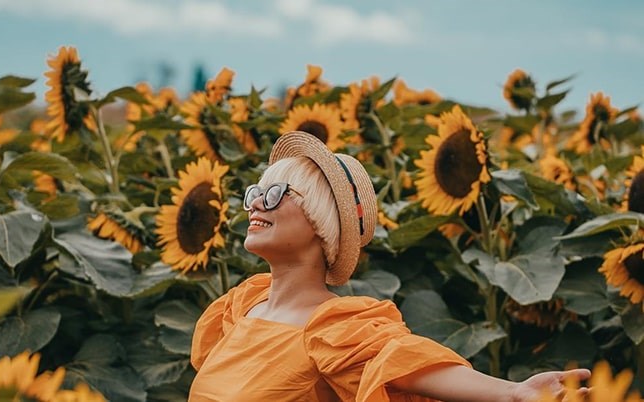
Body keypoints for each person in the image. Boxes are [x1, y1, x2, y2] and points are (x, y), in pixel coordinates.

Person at [188, 131, 590, 401]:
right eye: (256, 191)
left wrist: (512, 393)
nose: (256, 202)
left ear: (320, 220)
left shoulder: (337, 328)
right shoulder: (241, 307)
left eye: (275, 193)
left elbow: (407, 364)